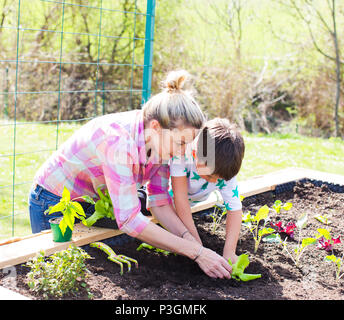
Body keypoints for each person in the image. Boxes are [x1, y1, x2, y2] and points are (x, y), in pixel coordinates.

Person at [28, 70, 233, 279]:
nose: (182, 152)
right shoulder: (118, 142)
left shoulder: (160, 145)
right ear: (155, 127)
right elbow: (129, 220)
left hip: (90, 203)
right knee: (64, 275)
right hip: (53, 202)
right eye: (180, 143)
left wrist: (193, 243)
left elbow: (159, 201)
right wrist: (196, 253)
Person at [170, 118, 245, 264]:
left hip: (191, 202)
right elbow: (180, 200)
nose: (214, 181)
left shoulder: (224, 169)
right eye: (210, 176)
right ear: (194, 155)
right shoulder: (181, 155)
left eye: (220, 178)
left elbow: (235, 210)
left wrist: (229, 251)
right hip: (167, 202)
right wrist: (197, 246)